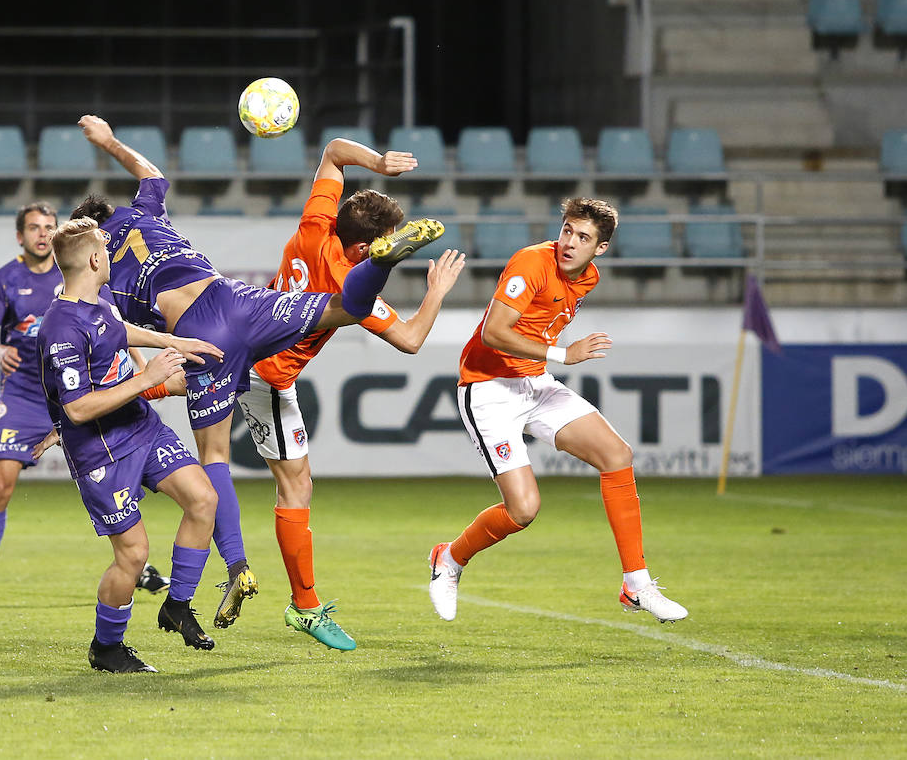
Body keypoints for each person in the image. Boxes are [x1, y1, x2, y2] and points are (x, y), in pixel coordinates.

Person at [74, 114, 443, 629]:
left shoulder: (100, 274)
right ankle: (304, 606)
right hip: (248, 318)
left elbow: (112, 331)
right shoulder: (145, 214)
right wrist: (110, 140)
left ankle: (239, 566)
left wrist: (147, 374)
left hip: (219, 342)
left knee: (218, 458)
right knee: (342, 312)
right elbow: (410, 339)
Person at [238, 138, 466, 649]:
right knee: (295, 489)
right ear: (368, 251)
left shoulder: (313, 229)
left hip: (247, 350)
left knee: (179, 381)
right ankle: (305, 606)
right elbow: (409, 340)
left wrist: (380, 165)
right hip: (268, 377)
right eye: (387, 243)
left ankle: (104, 404)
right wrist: (436, 293)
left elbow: (334, 151)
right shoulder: (349, 288)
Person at [428, 198, 688, 624]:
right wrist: (563, 354)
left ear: (599, 249)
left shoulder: (589, 278)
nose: (570, 242)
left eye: (583, 237)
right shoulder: (532, 263)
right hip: (487, 387)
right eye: (567, 230)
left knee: (617, 455)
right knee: (523, 510)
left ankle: (636, 584)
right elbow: (494, 332)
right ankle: (449, 559)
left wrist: (550, 361)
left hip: (534, 384)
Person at [0, 201, 175, 602]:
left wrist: (141, 370)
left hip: (86, 393)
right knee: (1, 481)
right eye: (33, 227)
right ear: (20, 236)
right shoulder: (6, 279)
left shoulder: (81, 274)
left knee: (113, 472)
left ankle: (138, 563)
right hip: (28, 392)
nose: (42, 233)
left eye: (48, 226)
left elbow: (115, 329)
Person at [39, 217, 222, 673]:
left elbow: (119, 331)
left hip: (141, 427)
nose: (113, 252)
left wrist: (174, 341)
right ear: (96, 259)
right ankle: (107, 649)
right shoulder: (60, 325)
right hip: (100, 450)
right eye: (107, 246)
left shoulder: (98, 304)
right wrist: (148, 378)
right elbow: (77, 409)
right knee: (134, 555)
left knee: (203, 500)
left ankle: (176, 604)